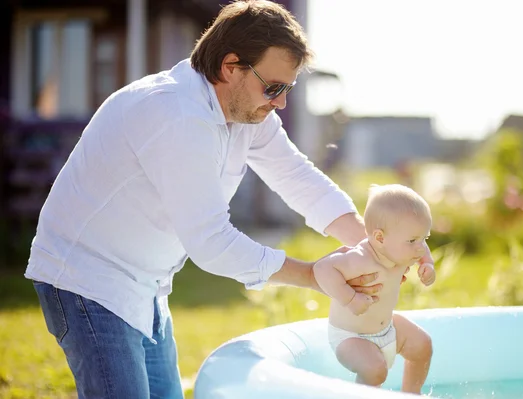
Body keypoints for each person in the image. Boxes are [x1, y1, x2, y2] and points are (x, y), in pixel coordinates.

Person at [24, 1, 435, 398]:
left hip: (144, 285)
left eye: (287, 88)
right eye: (273, 87)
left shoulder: (246, 112)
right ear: (231, 67)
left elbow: (296, 177)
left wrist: (374, 250)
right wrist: (314, 275)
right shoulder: (178, 116)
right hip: (85, 280)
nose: (280, 102)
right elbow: (212, 243)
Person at [314, 184, 436, 393]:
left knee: (422, 345)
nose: (420, 247)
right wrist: (350, 298)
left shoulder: (402, 250)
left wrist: (428, 265)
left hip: (386, 328)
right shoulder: (360, 259)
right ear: (380, 238)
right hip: (351, 336)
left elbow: (422, 250)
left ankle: (411, 394)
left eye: (424, 238)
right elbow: (322, 269)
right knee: (375, 370)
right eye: (413, 240)